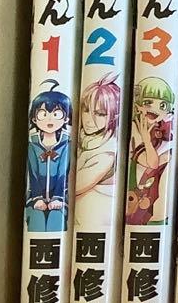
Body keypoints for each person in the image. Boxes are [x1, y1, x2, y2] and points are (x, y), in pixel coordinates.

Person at [126, 77, 175, 226]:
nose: (155, 109)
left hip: (154, 188)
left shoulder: (162, 129)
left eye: (162, 105)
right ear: (137, 105)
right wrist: (147, 140)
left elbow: (168, 156)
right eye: (148, 102)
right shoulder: (135, 129)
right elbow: (152, 163)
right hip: (139, 187)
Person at [74, 73, 121, 230]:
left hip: (96, 223)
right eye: (86, 110)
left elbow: (74, 187)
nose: (89, 119)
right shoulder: (83, 138)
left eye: (100, 114)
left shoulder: (107, 153)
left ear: (113, 116)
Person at [25, 81, 73, 232]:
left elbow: (63, 174)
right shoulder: (33, 146)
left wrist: (58, 198)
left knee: (57, 217)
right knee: (36, 217)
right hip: (35, 197)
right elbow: (32, 174)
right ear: (34, 119)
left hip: (60, 197)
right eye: (43, 114)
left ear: (66, 118)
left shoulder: (66, 145)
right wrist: (37, 198)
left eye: (56, 114)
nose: (50, 119)